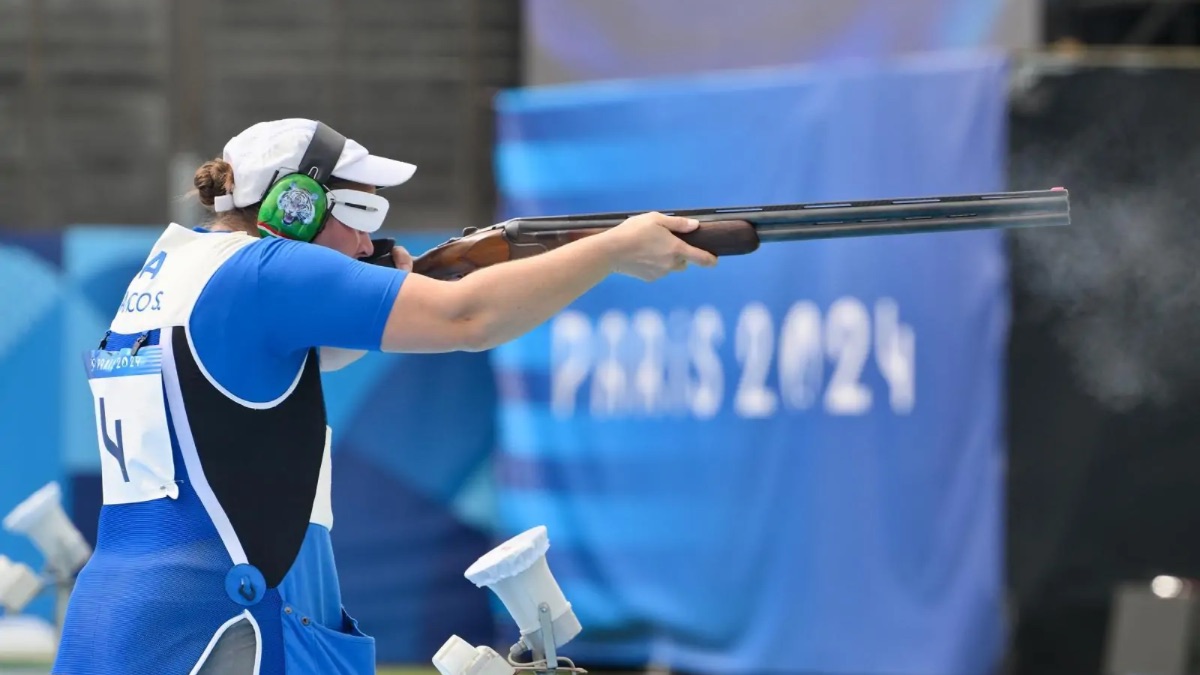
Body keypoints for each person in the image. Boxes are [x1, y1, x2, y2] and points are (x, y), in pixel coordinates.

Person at [52, 118, 717, 675]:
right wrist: (613, 250)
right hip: (221, 630)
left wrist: (393, 281)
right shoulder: (266, 271)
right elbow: (468, 320)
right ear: (294, 207)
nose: (369, 241)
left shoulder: (170, 271)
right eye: (360, 214)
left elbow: (258, 388)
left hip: (117, 622)